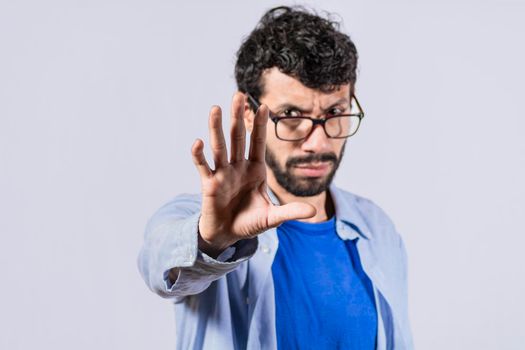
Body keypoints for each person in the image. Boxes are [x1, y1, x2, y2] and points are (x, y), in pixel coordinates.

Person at [138, 6, 413, 350]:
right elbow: (160, 261)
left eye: (334, 113)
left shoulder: (378, 229)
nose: (318, 142)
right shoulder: (208, 221)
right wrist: (211, 241)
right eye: (291, 116)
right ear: (251, 114)